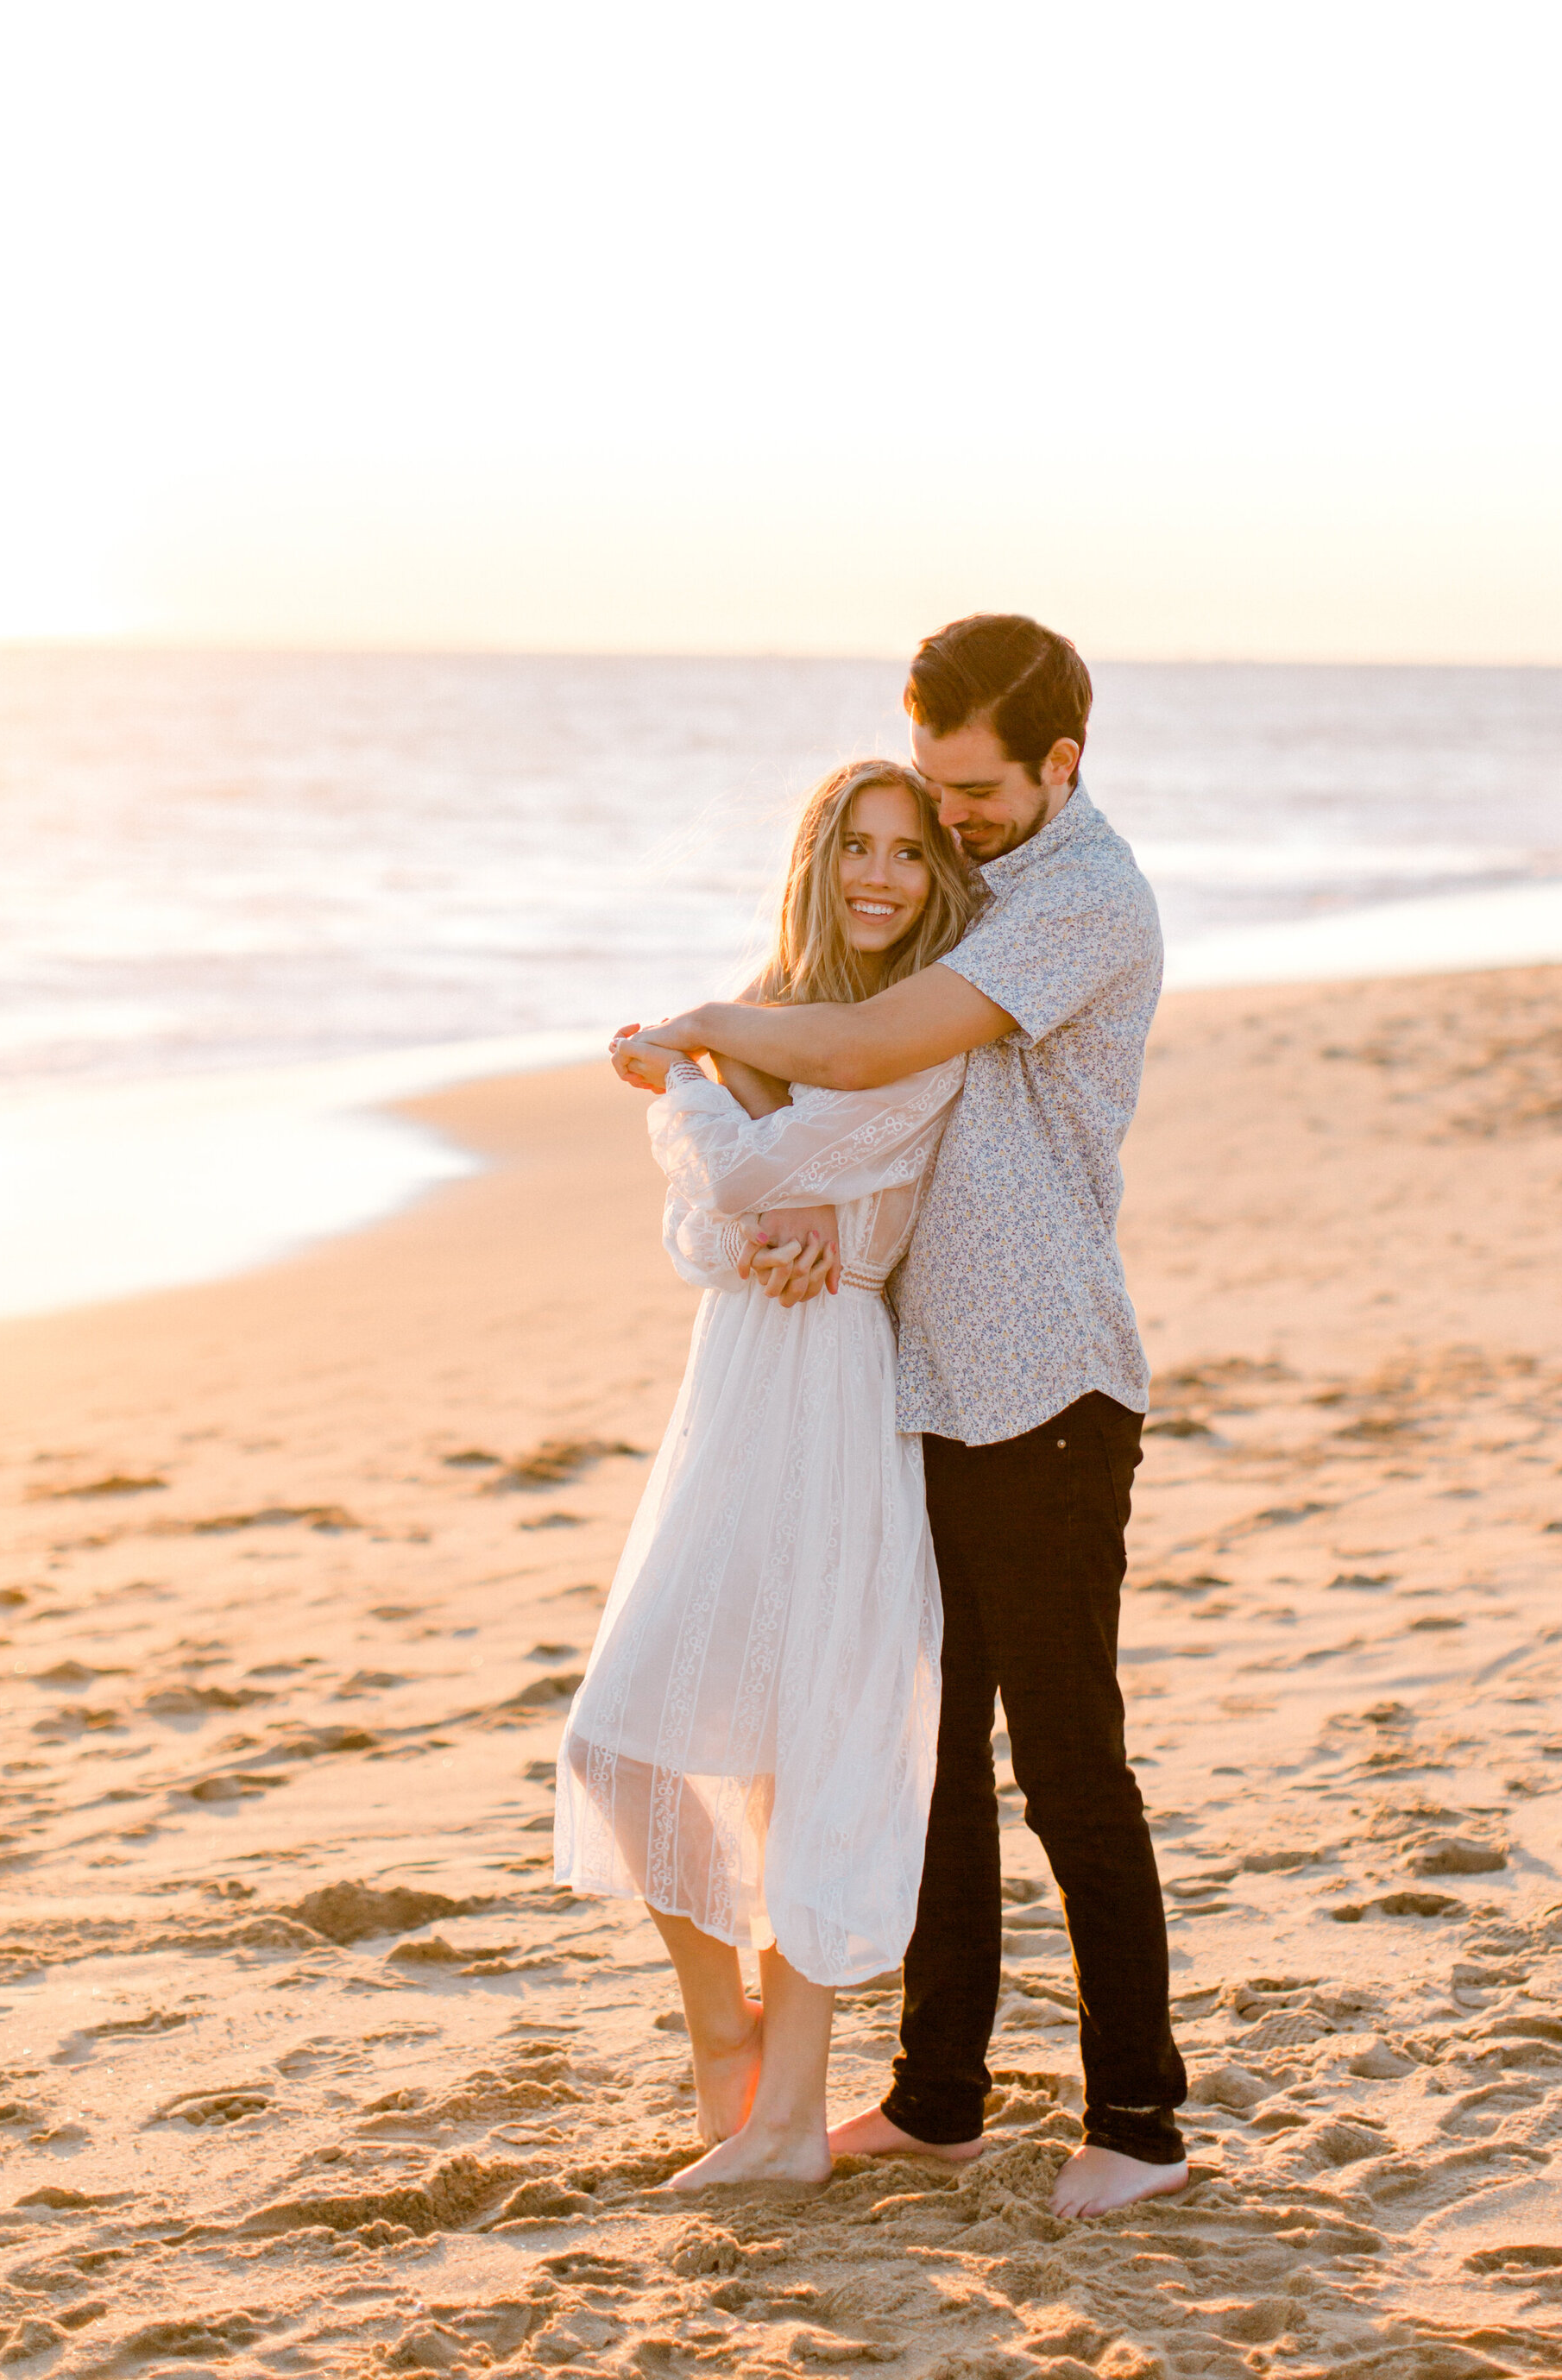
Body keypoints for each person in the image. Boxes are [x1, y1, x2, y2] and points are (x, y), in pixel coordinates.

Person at [615, 613, 1189, 2219]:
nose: (950, 817)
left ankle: (1138, 2122)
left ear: (1059, 765)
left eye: (973, 789)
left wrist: (705, 1033)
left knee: (1071, 1764)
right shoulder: (961, 873)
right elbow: (838, 1046)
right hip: (919, 1384)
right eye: (932, 786)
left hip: (1051, 1384)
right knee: (931, 1761)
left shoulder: (1082, 897)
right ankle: (939, 2102)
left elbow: (872, 1042)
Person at [557, 757, 981, 2188]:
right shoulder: (774, 1014)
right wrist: (750, 1208)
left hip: (837, 1398)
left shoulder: (914, 1039)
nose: (880, 875)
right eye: (858, 847)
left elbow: (736, 1174)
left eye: (910, 854)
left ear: (935, 881)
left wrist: (680, 1076)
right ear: (818, 860)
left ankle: (791, 2119)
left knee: (808, 1747)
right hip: (736, 1386)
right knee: (619, 1736)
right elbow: (708, 1229)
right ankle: (722, 2028)